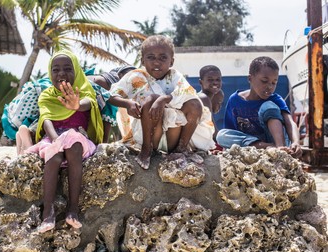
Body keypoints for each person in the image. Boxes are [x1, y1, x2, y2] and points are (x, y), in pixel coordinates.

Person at [109, 35, 215, 169]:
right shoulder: (135, 76)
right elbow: (112, 96)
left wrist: (164, 99)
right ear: (142, 60)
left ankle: (181, 150)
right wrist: (127, 104)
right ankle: (146, 151)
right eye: (151, 57)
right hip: (149, 134)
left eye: (163, 58)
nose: (156, 62)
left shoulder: (175, 76)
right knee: (151, 99)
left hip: (173, 135)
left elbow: (187, 92)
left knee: (195, 103)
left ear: (171, 61)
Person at [26, 50, 103, 233]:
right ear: (50, 72)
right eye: (56, 69)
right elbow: (46, 120)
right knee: (53, 158)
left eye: (67, 68)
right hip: (53, 137)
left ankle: (73, 209)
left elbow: (87, 102)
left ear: (76, 71)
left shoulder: (83, 90)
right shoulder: (46, 95)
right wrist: (56, 140)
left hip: (78, 137)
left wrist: (76, 105)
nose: (61, 73)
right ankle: (48, 212)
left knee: (74, 147)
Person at [216, 56, 302, 158]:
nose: (270, 87)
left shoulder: (275, 99)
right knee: (221, 135)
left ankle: (280, 147)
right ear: (250, 79)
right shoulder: (234, 100)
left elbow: (290, 122)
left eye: (274, 83)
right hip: (252, 144)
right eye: (264, 81)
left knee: (269, 106)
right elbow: (230, 131)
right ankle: (268, 146)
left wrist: (296, 142)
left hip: (274, 139)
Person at [1, 78, 52, 148]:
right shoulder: (50, 88)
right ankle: (28, 148)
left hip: (18, 124)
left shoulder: (39, 86)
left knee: (21, 136)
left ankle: (24, 151)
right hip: (37, 121)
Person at [197, 65, 223, 139]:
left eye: (218, 79)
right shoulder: (203, 98)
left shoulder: (217, 94)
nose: (215, 83)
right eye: (210, 80)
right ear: (200, 82)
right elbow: (213, 132)